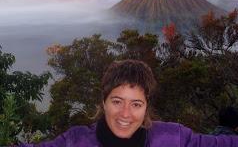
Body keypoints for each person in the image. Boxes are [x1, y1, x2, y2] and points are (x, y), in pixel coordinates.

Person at [19, 59, 238, 146]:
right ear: (103, 102)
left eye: (136, 104)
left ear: (146, 107)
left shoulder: (173, 138)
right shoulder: (76, 141)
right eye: (117, 101)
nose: (125, 114)